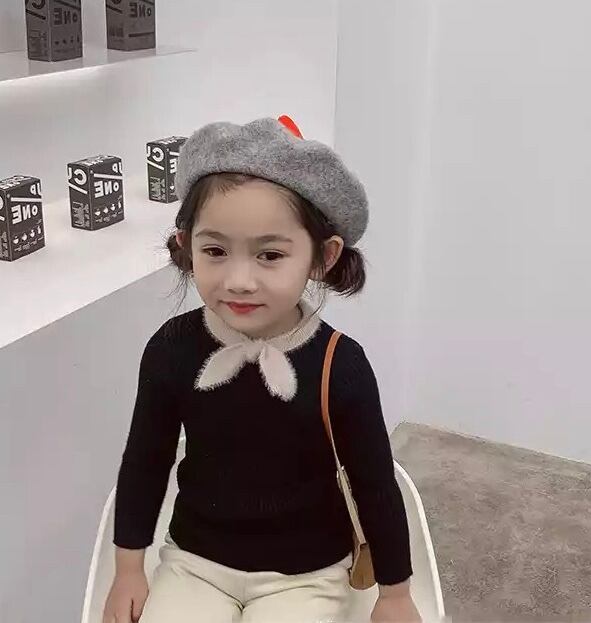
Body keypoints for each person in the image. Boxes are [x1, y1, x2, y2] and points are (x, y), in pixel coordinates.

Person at [103, 116, 421, 623]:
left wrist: (396, 595)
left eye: (270, 255)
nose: (239, 280)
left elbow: (375, 483)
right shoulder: (171, 350)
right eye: (215, 251)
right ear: (186, 245)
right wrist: (127, 570)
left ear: (322, 257)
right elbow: (145, 460)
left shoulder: (341, 365)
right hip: (195, 562)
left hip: (307, 572)